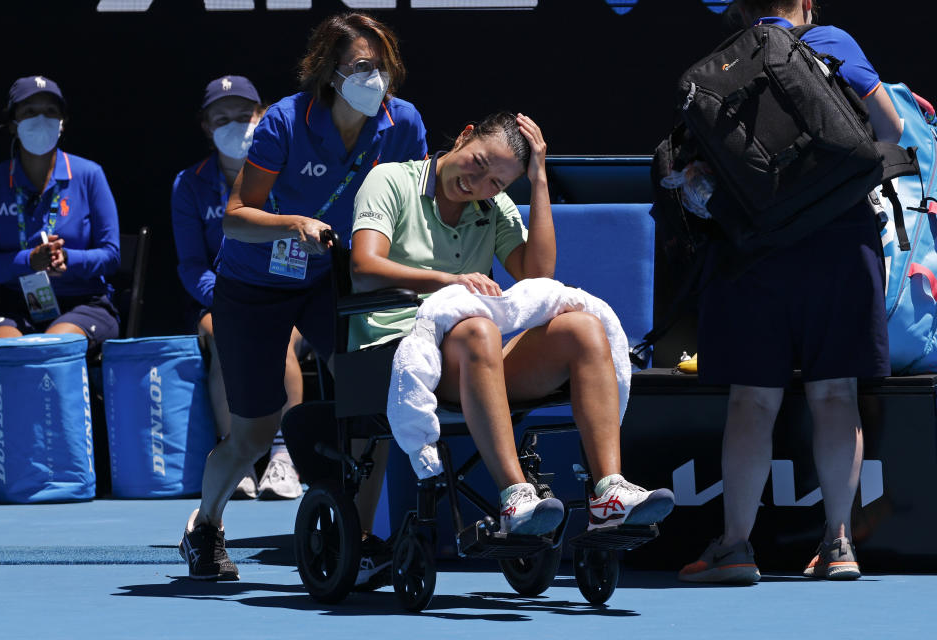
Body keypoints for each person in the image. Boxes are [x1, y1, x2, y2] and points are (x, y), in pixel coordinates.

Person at [178, 13, 429, 582]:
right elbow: (238, 219)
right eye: (363, 66)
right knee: (253, 433)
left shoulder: (401, 122)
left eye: (383, 66)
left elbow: (414, 207)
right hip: (255, 287)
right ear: (329, 73)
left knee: (375, 402)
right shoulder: (285, 124)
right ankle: (205, 528)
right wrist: (292, 224)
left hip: (333, 282)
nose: (377, 78)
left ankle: (358, 542)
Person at [349, 111, 675, 537]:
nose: (478, 183)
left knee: (584, 328)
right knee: (478, 328)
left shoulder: (493, 206)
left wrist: (539, 180)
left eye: (496, 182)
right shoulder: (391, 180)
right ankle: (514, 497)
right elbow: (363, 266)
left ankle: (608, 494)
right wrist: (449, 282)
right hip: (395, 352)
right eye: (479, 163)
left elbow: (538, 276)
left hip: (471, 356)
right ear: (465, 136)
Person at [678, 0, 904, 585]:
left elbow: (693, 171)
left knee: (752, 401)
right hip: (841, 244)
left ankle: (734, 547)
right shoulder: (832, 41)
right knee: (835, 396)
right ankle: (838, 544)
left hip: (755, 253)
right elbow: (891, 130)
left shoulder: (717, 66)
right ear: (805, 4)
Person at [171, 75, 305, 501]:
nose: (234, 125)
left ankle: (285, 456)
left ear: (261, 116)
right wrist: (231, 300)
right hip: (225, 297)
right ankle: (241, 457)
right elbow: (192, 265)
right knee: (220, 332)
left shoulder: (288, 169)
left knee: (279, 339)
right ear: (207, 127)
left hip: (288, 292)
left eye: (243, 115)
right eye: (221, 118)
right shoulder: (189, 183)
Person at [0, 75, 120, 350]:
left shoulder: (89, 174)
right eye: (30, 111)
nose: (41, 119)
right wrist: (27, 261)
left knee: (52, 348)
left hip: (84, 303)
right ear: (12, 124)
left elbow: (111, 255)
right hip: (13, 306)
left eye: (50, 112)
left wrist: (68, 258)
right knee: (12, 353)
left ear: (62, 123)